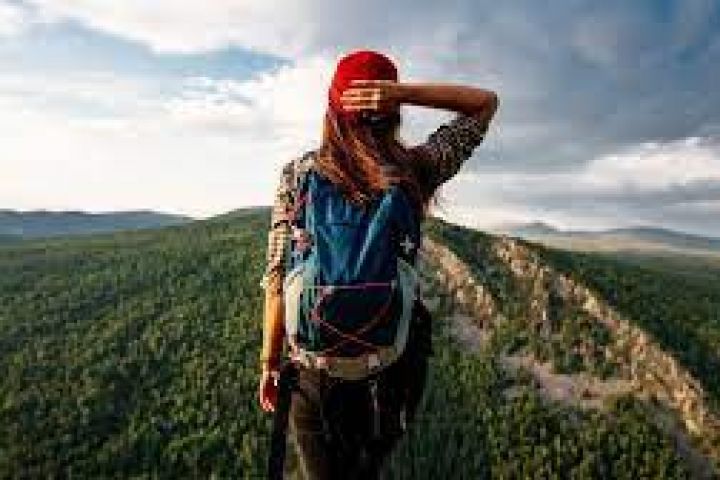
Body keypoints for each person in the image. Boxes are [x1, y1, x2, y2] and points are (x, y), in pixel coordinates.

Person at [258, 49, 498, 479]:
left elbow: (278, 277)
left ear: (332, 110)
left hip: (314, 375)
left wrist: (269, 364)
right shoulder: (415, 168)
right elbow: (484, 105)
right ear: (391, 110)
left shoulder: (298, 175)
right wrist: (404, 93)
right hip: (390, 371)